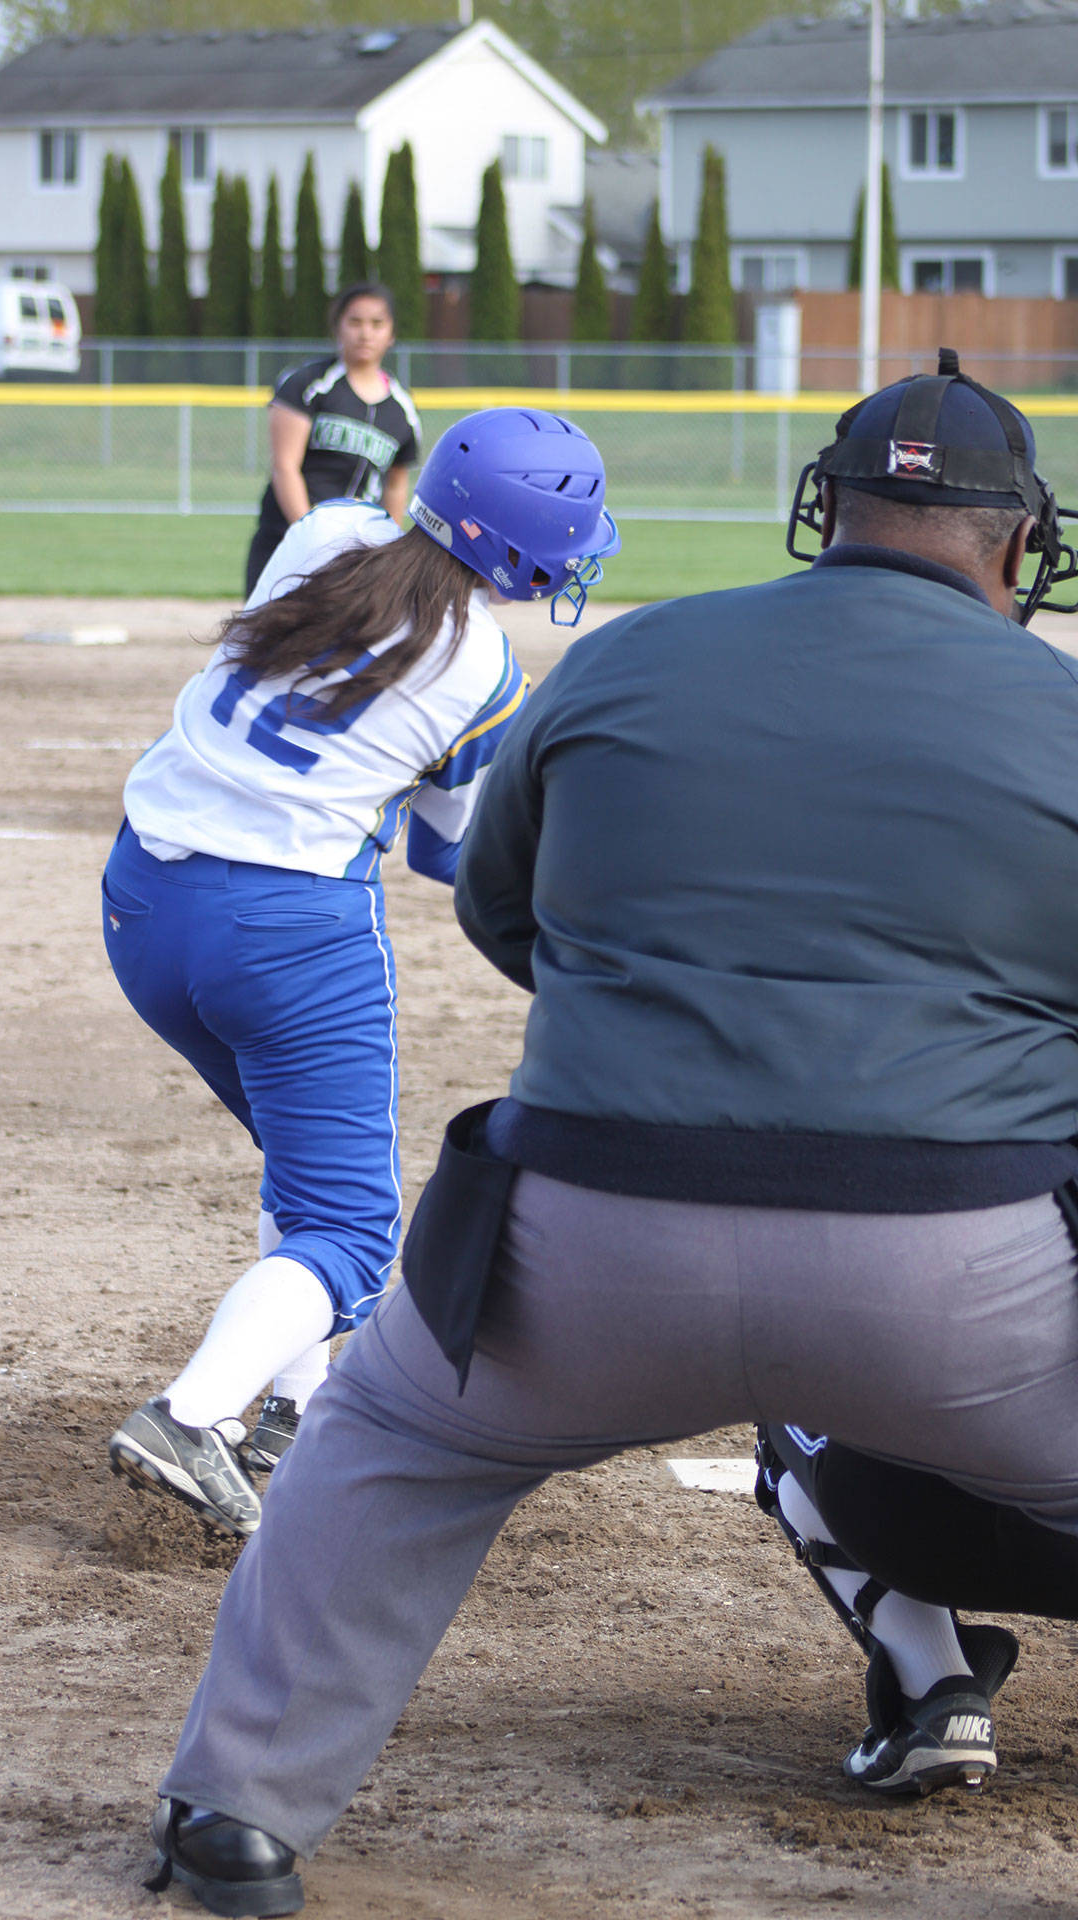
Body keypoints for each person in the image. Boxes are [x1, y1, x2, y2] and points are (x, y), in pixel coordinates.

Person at [137, 350, 1078, 1920]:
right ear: (1014, 545)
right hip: (952, 1293)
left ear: (821, 512)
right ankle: (931, 1663)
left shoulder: (633, 659)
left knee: (382, 1442)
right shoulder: (1059, 703)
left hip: (589, 1246)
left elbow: (508, 914)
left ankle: (234, 1813)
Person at [103, 406, 619, 1545]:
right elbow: (446, 851)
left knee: (303, 1175)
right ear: (525, 548)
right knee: (350, 1229)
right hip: (286, 929)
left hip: (142, 900)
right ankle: (192, 1417)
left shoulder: (326, 530)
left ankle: (297, 1408)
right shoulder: (483, 666)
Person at [243, 283, 420, 597]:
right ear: (337, 328)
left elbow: (395, 485)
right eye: (354, 322)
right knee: (269, 641)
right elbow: (285, 466)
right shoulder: (308, 384)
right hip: (288, 539)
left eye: (377, 323)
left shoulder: (402, 410)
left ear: (391, 334)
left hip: (355, 554)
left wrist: (388, 548)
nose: (365, 333)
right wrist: (310, 535)